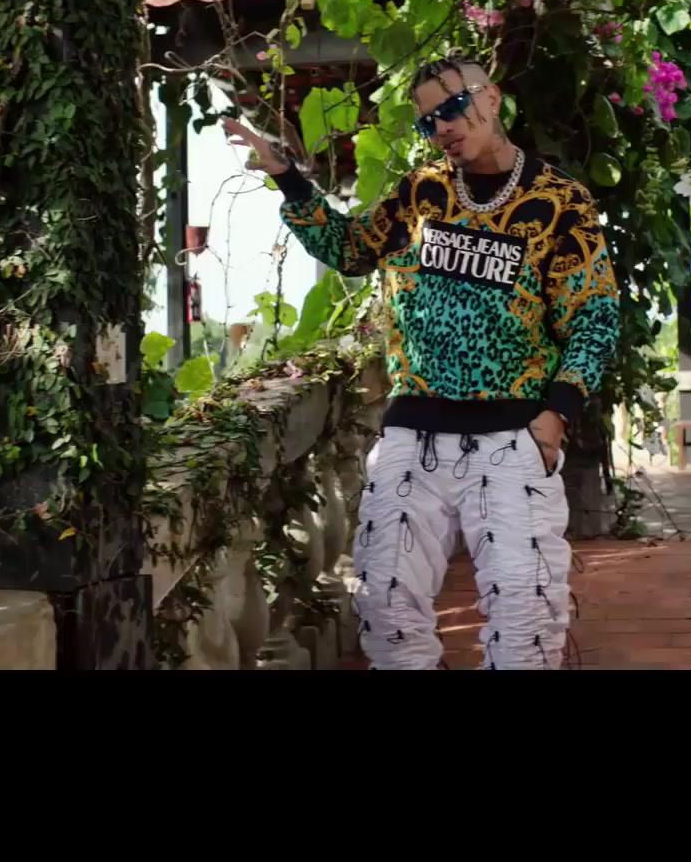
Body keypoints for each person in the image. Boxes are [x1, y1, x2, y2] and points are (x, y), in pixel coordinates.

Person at [222, 53, 621, 670]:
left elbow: (593, 315)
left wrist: (555, 416)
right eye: (429, 121)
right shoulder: (421, 192)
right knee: (383, 604)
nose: (444, 128)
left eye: (454, 108)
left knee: (525, 618)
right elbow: (350, 248)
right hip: (415, 431)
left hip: (512, 433)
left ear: (491, 99)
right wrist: (288, 178)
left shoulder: (559, 201)